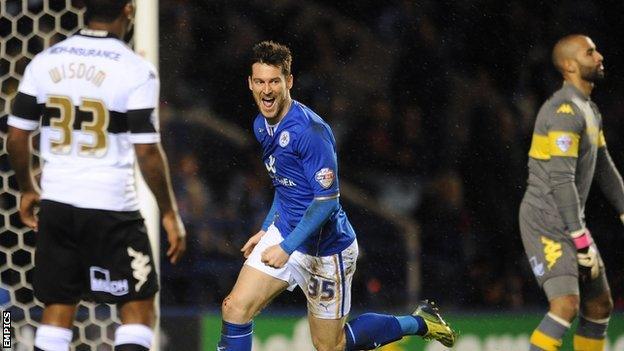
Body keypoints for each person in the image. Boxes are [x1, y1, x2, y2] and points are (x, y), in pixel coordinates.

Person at [217, 40, 457, 351]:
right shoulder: (261, 125)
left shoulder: (310, 132)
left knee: (331, 345)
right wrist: (267, 227)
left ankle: (420, 322)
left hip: (326, 250)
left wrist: (286, 247)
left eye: (274, 81)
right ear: (250, 83)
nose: (266, 90)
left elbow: (327, 202)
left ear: (288, 81)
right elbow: (284, 182)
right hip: (286, 232)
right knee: (235, 308)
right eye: (260, 82)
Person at [6, 1, 186, 350]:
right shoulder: (136, 70)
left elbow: (16, 136)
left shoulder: (46, 61)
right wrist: (168, 211)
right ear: (129, 9)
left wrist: (28, 188)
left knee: (57, 310)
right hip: (111, 205)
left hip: (57, 203)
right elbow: (147, 151)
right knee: (138, 309)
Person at [519, 34, 624, 351]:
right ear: (568, 65)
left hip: (568, 220)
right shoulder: (563, 113)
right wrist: (581, 242)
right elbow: (562, 181)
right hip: (546, 220)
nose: (599, 56)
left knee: (599, 306)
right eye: (590, 52)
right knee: (565, 305)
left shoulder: (589, 110)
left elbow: (604, 167)